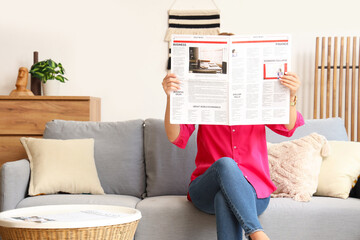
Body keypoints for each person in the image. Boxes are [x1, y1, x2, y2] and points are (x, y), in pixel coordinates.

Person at [162, 71, 304, 240]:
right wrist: (171, 98)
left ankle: (254, 232)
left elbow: (288, 127)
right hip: (205, 190)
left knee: (224, 196)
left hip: (254, 192)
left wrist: (291, 96)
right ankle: (255, 232)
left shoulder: (256, 100)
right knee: (226, 164)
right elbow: (175, 136)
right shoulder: (204, 100)